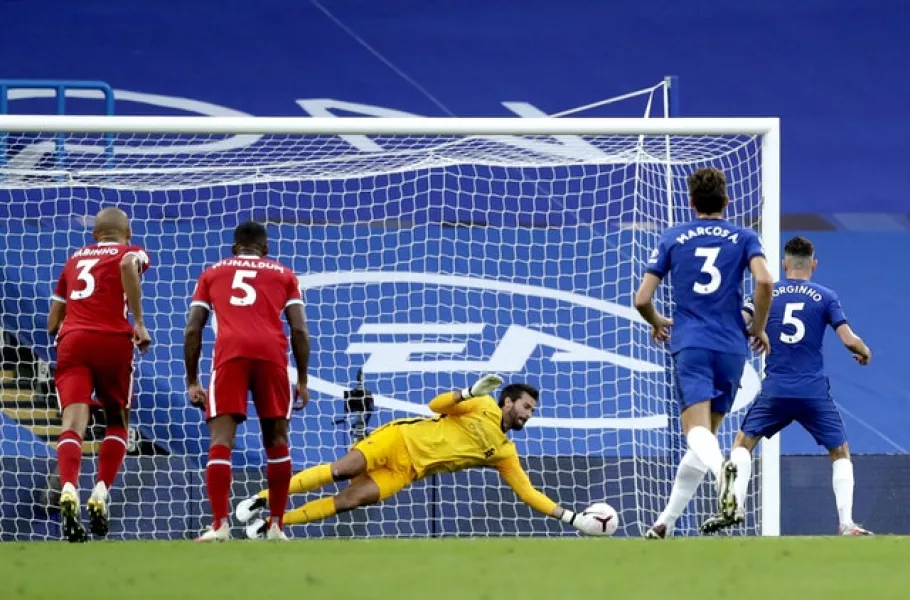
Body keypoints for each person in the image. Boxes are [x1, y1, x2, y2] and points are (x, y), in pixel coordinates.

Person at [234, 375, 604, 538]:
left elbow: (528, 493)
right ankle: (261, 499)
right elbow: (434, 404)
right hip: (399, 439)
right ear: (507, 401)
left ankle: (275, 524)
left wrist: (573, 519)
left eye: (532, 410)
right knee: (341, 470)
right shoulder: (480, 405)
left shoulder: (505, 452)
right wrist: (468, 390)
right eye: (525, 406)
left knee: (351, 500)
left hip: (408, 471)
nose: (528, 414)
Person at [634, 167, 774, 538]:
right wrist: (758, 327)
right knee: (705, 438)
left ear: (691, 202)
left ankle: (722, 472)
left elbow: (642, 299)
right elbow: (763, 280)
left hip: (692, 342)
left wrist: (658, 320)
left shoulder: (673, 237)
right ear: (727, 202)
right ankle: (666, 521)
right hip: (731, 347)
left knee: (695, 433)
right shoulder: (744, 236)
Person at [702, 236, 872, 535]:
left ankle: (736, 504)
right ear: (813, 264)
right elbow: (848, 339)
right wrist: (863, 351)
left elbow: (739, 321)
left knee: (743, 444)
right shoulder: (825, 296)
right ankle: (846, 523)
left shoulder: (766, 294)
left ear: (784, 264)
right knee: (840, 452)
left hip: (775, 390)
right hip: (813, 393)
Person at [184, 220, 310, 542]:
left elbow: (193, 329)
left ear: (233, 248)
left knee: (221, 439)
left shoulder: (211, 273)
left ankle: (219, 525)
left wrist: (192, 380)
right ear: (265, 250)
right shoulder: (284, 275)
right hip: (271, 356)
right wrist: (303, 379)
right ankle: (277, 526)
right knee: (277, 440)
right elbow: (298, 329)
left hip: (230, 355)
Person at [49, 207, 152, 543]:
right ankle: (101, 491)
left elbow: (53, 323)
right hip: (112, 340)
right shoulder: (132, 252)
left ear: (95, 234)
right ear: (129, 233)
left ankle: (68, 487)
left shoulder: (74, 259)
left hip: (73, 341)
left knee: (72, 423)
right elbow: (126, 266)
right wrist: (137, 321)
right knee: (117, 421)